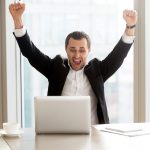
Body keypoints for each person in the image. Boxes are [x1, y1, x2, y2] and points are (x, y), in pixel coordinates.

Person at [9, 2, 138, 124]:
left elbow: (118, 55)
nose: (77, 55)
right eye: (72, 50)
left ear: (89, 51)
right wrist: (17, 19)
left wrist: (130, 26)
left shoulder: (98, 70)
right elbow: (31, 53)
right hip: (60, 133)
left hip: (93, 135)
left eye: (82, 50)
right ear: (66, 49)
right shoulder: (55, 68)